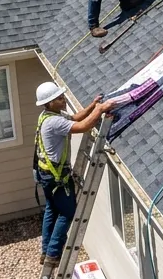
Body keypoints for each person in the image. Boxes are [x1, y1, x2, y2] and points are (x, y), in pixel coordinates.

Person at [33, 81, 115, 266]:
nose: (63, 100)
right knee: (68, 212)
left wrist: (92, 106)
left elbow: (76, 118)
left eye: (61, 97)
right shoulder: (54, 122)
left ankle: (46, 251)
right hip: (57, 177)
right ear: (49, 103)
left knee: (52, 210)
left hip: (46, 174)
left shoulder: (47, 116)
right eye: (59, 99)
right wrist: (101, 110)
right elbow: (83, 127)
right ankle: (53, 254)